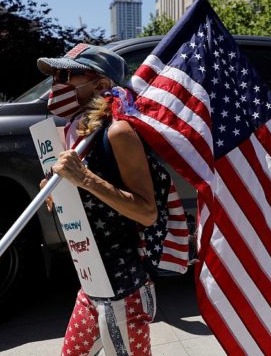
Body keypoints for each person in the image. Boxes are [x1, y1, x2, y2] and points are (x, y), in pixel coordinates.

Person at [38, 44, 166, 355]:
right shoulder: (74, 131)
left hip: (124, 290)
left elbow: (147, 212)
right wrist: (59, 192)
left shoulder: (119, 132)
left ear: (101, 85)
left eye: (66, 75)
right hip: (91, 284)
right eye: (55, 76)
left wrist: (84, 178)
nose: (57, 83)